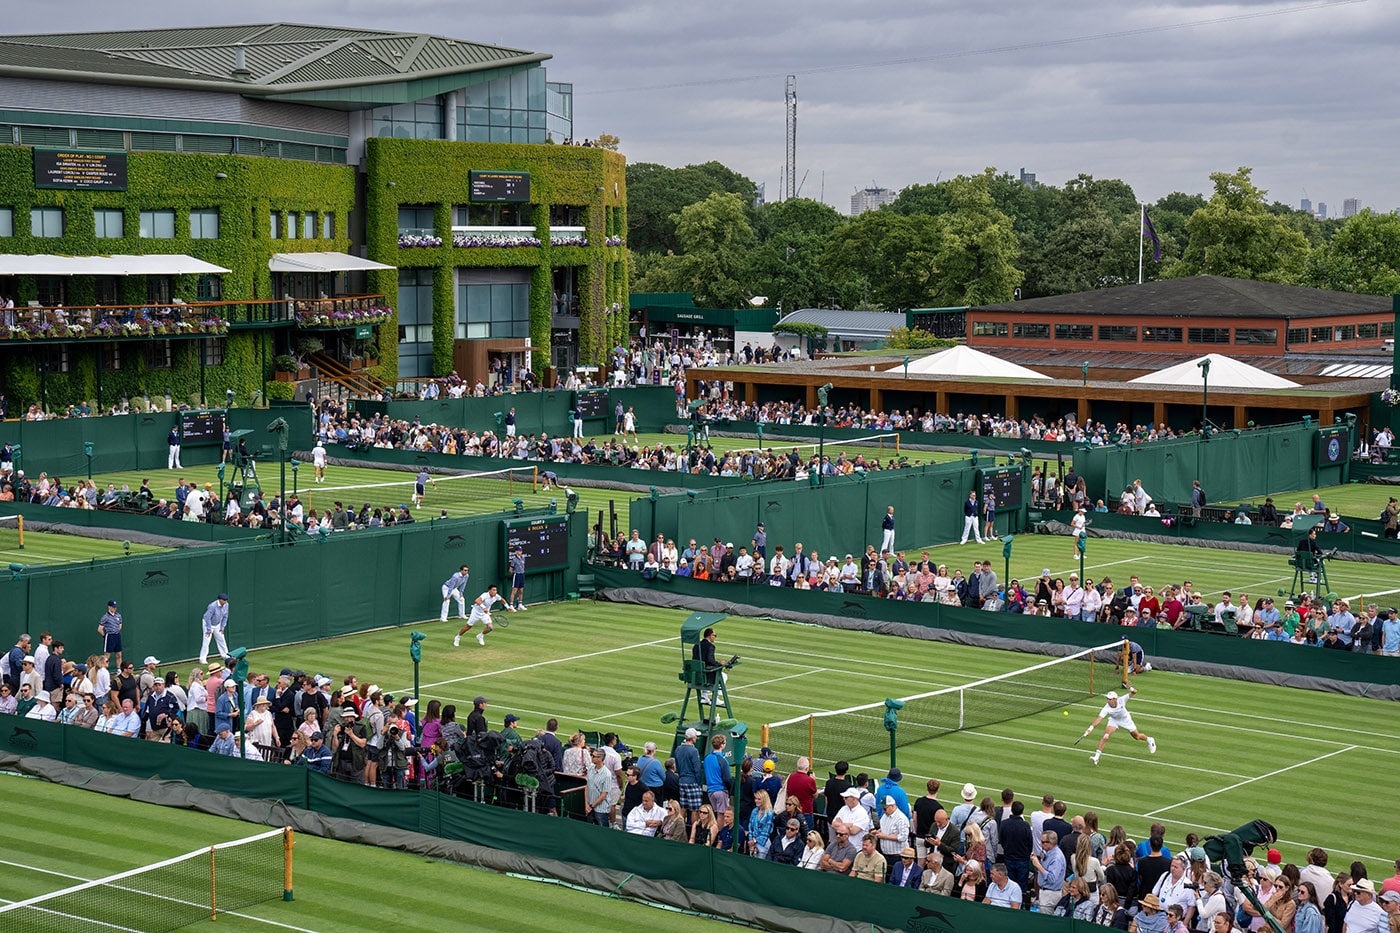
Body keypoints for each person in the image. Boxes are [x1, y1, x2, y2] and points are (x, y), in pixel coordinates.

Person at [1082, 685, 1156, 765]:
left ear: (1115, 699)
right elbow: (1099, 719)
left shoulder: (1122, 699)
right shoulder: (1106, 708)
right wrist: (1090, 729)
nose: (1108, 701)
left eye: (1110, 699)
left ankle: (1149, 739)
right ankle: (1096, 757)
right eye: (1107, 699)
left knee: (1137, 737)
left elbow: (1134, 692)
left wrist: (1130, 688)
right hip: (1114, 720)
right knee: (1106, 736)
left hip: (1126, 720)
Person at [198, 594, 231, 666]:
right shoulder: (212, 606)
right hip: (208, 624)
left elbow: (225, 616)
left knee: (221, 639)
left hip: (218, 624)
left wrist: (222, 627)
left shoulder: (226, 605)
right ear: (220, 600)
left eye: (226, 600)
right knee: (206, 641)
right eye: (224, 600)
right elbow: (207, 618)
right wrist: (209, 629)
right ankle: (202, 659)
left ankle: (225, 655)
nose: (225, 602)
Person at [97, 600, 123, 672]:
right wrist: (105, 636)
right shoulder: (105, 617)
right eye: (113, 607)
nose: (115, 608)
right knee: (107, 655)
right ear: (109, 607)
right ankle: (103, 670)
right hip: (109, 636)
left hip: (117, 636)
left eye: (115, 607)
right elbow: (99, 629)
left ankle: (119, 670)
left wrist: (117, 630)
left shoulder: (118, 616)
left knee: (119, 654)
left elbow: (120, 625)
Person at [507, 546, 527, 611]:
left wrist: (522, 571)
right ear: (516, 552)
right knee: (514, 591)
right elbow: (510, 570)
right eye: (519, 550)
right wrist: (515, 573)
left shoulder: (523, 558)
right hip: (517, 575)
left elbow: (523, 566)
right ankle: (511, 605)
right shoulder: (514, 559)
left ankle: (520, 605)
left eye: (521, 550)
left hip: (522, 575)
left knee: (521, 590)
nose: (520, 552)